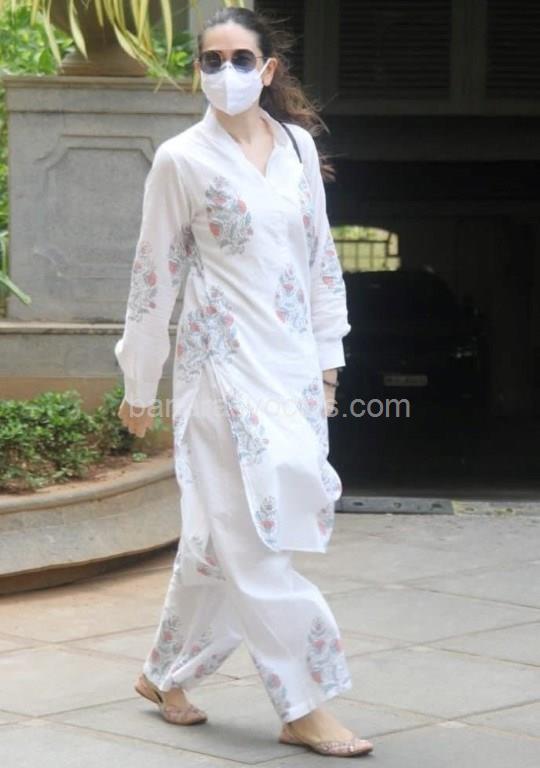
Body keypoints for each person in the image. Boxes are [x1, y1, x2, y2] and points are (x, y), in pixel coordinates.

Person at [114, 5, 374, 759]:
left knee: (216, 539)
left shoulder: (296, 147)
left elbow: (320, 260)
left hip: (289, 371)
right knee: (257, 543)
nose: (224, 72)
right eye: (210, 60)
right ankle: (303, 704)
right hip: (220, 374)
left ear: (268, 70)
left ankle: (164, 672)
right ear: (198, 71)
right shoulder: (181, 160)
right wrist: (140, 382)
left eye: (239, 59)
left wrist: (328, 365)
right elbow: (153, 277)